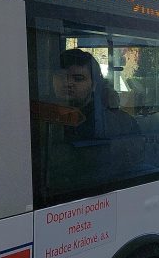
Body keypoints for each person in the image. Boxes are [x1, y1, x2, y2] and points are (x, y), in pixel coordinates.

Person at [44, 48, 143, 194]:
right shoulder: (39, 117)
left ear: (94, 85)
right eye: (61, 76)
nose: (68, 83)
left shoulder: (118, 123)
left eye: (78, 78)